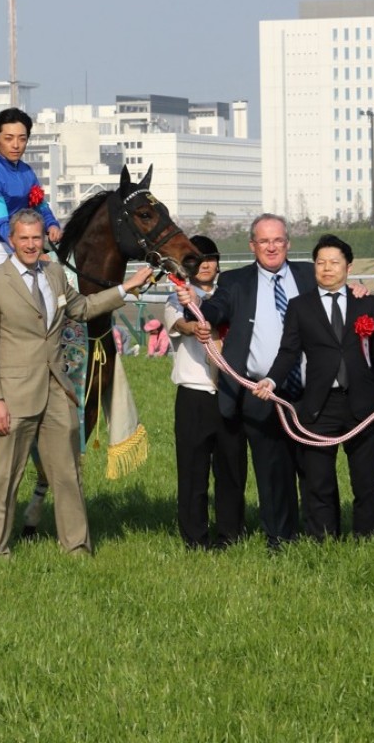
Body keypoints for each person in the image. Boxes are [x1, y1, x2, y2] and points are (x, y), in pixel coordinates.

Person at [0, 209, 153, 556]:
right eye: (23, 238)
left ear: (44, 239)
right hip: (13, 396)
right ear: (11, 240)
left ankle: (77, 548)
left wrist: (125, 289)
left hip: (58, 390)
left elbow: (83, 308)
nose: (30, 244)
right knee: (4, 479)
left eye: (36, 237)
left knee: (69, 475)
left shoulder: (54, 273)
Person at [175, 213, 315, 550]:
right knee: (271, 470)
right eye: (264, 241)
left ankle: (320, 536)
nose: (271, 247)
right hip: (260, 392)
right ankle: (279, 539)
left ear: (288, 243)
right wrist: (198, 310)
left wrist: (353, 289)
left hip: (309, 391)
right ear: (252, 245)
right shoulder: (236, 282)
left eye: (278, 240)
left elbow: (338, 295)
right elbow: (216, 308)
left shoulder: (309, 275)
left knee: (314, 469)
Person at [252, 235, 374, 540]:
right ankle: (323, 540)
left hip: (363, 404)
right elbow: (288, 352)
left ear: (349, 266)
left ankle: (366, 539)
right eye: (320, 262)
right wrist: (270, 380)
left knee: (365, 481)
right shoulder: (300, 306)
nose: (327, 268)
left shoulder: (366, 302)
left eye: (334, 262)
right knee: (318, 480)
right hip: (319, 405)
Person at [163, 235, 247, 549]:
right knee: (192, 471)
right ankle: (194, 537)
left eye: (210, 258)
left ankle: (231, 534)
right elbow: (180, 324)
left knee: (231, 468)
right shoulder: (180, 297)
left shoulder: (232, 296)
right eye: (199, 259)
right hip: (194, 395)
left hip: (230, 392)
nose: (206, 264)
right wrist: (195, 325)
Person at [0, 108, 62, 281]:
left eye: (22, 139)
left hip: (22, 247)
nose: (16, 145)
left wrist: (52, 225)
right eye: (8, 139)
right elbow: (2, 225)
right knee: (24, 278)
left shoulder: (27, 172)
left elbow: (39, 205)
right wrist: (31, 251)